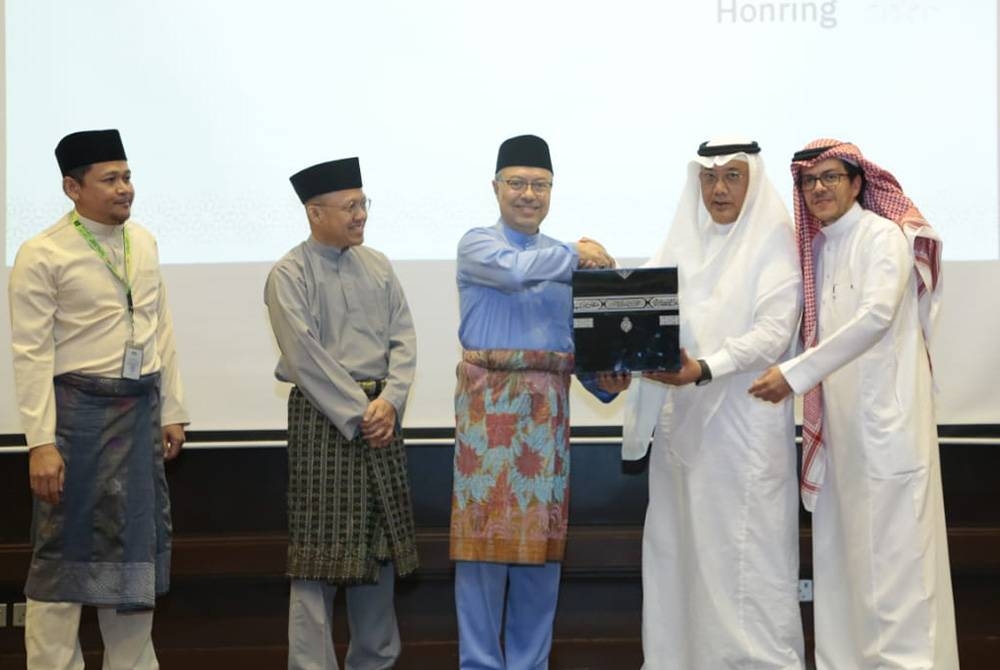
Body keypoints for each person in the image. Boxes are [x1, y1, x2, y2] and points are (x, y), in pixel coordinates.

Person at [749, 139, 959, 669]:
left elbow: (874, 317)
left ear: (858, 183)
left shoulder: (883, 236)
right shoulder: (819, 248)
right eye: (809, 181)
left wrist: (794, 375)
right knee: (843, 571)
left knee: (897, 573)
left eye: (830, 177)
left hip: (889, 430)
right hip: (840, 435)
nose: (818, 188)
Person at [598, 138, 805, 668]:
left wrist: (706, 367)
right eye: (709, 177)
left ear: (752, 181)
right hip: (683, 434)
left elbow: (775, 333)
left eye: (733, 176)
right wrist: (616, 355)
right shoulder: (683, 240)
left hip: (744, 434)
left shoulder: (774, 240)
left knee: (743, 567)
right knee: (677, 560)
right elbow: (640, 303)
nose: (719, 189)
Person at [8, 128, 188, 669]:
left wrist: (173, 410)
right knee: (62, 564)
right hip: (76, 424)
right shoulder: (42, 253)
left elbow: (160, 329)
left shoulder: (144, 242)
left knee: (134, 561)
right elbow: (31, 354)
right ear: (72, 187)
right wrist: (41, 443)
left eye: (127, 177)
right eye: (109, 179)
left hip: (139, 418)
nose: (124, 188)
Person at [449, 134, 613, 670]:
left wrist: (612, 378)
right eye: (517, 183)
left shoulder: (567, 263)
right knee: (482, 556)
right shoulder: (478, 245)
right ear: (495, 188)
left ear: (551, 191)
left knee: (540, 557)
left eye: (539, 185)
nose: (528, 194)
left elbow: (578, 346)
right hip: (487, 418)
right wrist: (577, 253)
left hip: (545, 422)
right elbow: (516, 271)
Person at [264, 157, 419, 670]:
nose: (361, 215)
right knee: (317, 558)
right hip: (323, 421)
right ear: (315, 212)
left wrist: (391, 401)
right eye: (350, 206)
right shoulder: (289, 273)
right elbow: (304, 355)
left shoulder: (379, 265)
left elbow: (404, 340)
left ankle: (375, 661)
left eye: (363, 203)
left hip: (382, 418)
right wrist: (360, 412)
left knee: (379, 551)